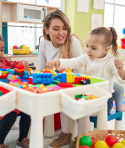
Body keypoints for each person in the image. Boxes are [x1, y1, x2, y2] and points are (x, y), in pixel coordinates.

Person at [46, 26, 125, 147]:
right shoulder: (87, 57)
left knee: (83, 111)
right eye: (87, 46)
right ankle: (66, 135)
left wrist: (120, 70)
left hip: (104, 100)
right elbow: (73, 62)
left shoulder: (110, 62)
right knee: (66, 105)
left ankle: (81, 139)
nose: (88, 50)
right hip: (87, 95)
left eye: (93, 48)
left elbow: (121, 79)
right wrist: (59, 62)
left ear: (105, 50)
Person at [38, 9, 90, 148]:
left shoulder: (72, 41)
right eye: (56, 29)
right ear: (46, 30)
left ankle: (80, 139)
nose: (61, 33)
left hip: (75, 85)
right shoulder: (43, 43)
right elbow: (41, 70)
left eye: (64, 28)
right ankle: (65, 136)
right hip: (57, 86)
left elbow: (80, 72)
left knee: (77, 108)